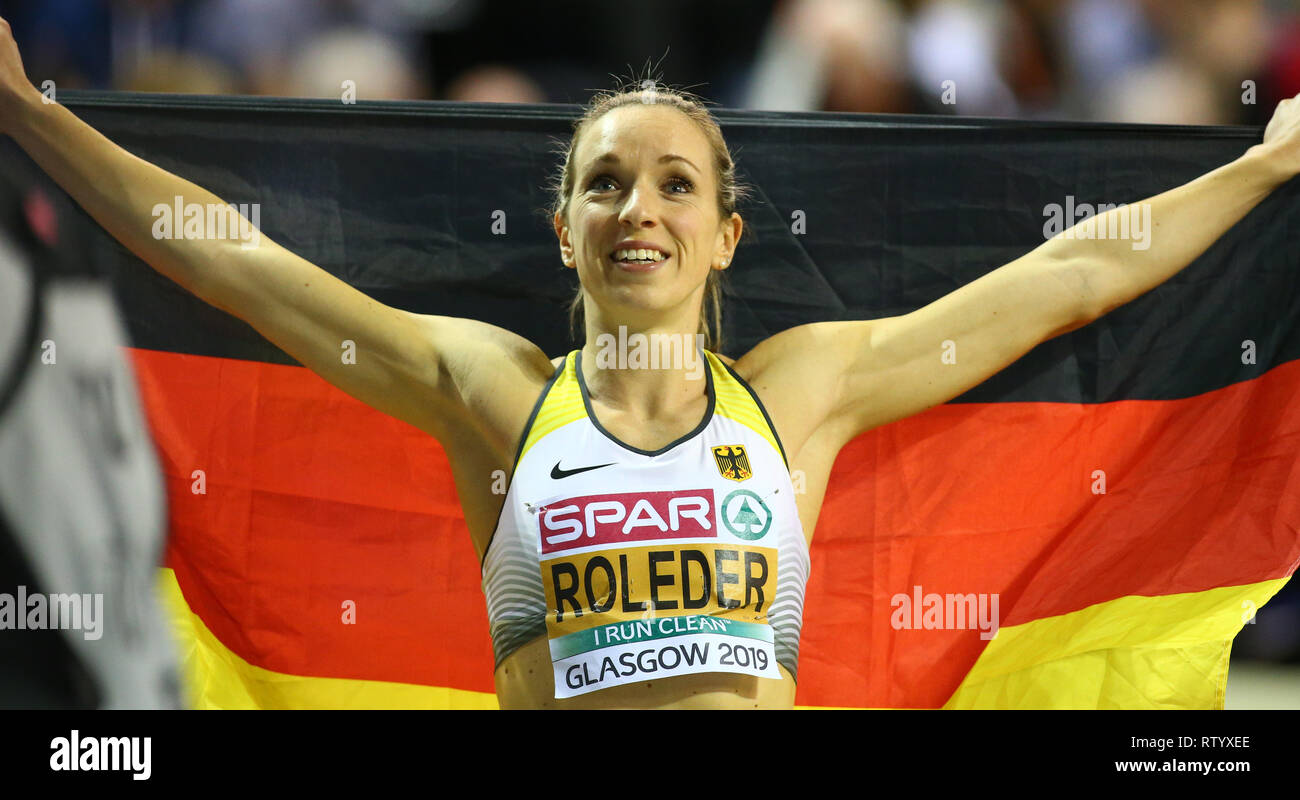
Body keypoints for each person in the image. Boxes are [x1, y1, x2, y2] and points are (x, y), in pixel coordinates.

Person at [2, 15, 1298, 710]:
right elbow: (235, 267)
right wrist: (29, 118)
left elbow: (1071, 280)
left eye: (675, 183)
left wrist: (1267, 164)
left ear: (725, 232)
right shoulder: (492, 391)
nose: (641, 209)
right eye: (607, 184)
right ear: (564, 229)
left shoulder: (802, 392)